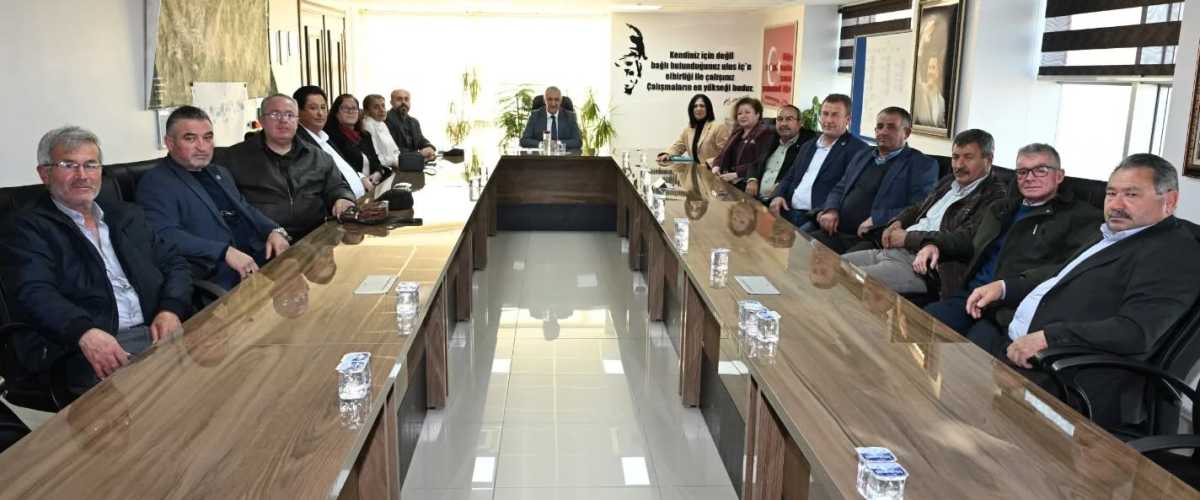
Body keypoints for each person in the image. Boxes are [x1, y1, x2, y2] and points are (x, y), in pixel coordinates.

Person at [966, 154, 1200, 428]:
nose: (1116, 205)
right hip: (1018, 346)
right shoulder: (1110, 233)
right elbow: (1060, 275)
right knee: (944, 368)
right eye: (1111, 193)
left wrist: (1047, 338)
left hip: (1063, 375)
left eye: (1132, 194)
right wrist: (1005, 287)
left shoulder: (1173, 252)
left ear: (1170, 201)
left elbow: (1136, 331)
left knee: (958, 409)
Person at [0, 126, 192, 396]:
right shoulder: (24, 227)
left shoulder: (126, 215)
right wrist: (85, 333)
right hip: (90, 346)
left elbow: (174, 262)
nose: (82, 175)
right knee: (167, 404)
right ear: (44, 173)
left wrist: (171, 308)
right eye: (68, 165)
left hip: (159, 329)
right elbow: (33, 293)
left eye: (90, 165)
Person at [919, 143, 1101, 337]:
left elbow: (1070, 269)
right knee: (924, 323)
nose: (1029, 177)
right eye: (1023, 172)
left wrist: (1006, 287)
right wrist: (934, 244)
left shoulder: (1080, 217)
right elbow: (970, 237)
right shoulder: (1001, 208)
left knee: (978, 345)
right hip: (971, 296)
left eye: (1040, 170)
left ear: (1059, 175)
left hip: (1010, 308)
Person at [137, 106, 292, 292]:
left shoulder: (219, 172)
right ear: (170, 143)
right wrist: (223, 251)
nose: (202, 147)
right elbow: (165, 234)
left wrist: (274, 230)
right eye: (190, 138)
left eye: (208, 137)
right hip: (221, 276)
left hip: (258, 260)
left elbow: (246, 208)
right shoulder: (156, 182)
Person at [841, 129, 1008, 295]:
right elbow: (920, 207)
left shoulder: (995, 196)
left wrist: (908, 238)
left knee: (849, 281)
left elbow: (964, 239)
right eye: (955, 157)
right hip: (890, 250)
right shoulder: (949, 181)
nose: (959, 165)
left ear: (989, 159)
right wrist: (897, 222)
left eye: (968, 157)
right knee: (835, 265)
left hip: (924, 267)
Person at [216, 94, 356, 241]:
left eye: (290, 115)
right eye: (275, 114)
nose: (283, 120)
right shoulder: (234, 158)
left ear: (297, 122)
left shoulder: (318, 157)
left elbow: (337, 187)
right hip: (260, 242)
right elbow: (222, 204)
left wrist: (343, 198)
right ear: (262, 120)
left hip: (314, 239)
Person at [806, 107, 938, 254]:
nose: (883, 132)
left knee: (846, 264)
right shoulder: (862, 155)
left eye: (891, 127)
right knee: (802, 247)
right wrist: (831, 209)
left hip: (872, 237)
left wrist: (877, 219)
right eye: (880, 127)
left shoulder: (922, 165)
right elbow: (840, 188)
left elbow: (920, 207)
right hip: (836, 230)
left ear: (906, 133)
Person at [769, 94, 870, 229]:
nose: (828, 120)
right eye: (825, 114)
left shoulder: (858, 150)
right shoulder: (808, 145)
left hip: (817, 217)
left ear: (848, 120)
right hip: (788, 209)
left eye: (835, 115)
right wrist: (779, 195)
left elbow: (851, 191)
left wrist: (829, 209)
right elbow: (791, 176)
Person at [292, 86, 371, 199]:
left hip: (361, 198)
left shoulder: (324, 136)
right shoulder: (299, 142)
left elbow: (343, 166)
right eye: (313, 108)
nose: (320, 113)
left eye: (323, 107)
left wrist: (360, 177)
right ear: (298, 111)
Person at [325, 93, 391, 189]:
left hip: (372, 185)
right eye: (345, 108)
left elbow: (375, 161)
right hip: (350, 188)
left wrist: (377, 174)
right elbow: (340, 168)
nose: (351, 112)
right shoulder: (330, 137)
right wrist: (361, 179)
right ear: (336, 113)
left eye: (354, 108)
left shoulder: (365, 135)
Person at [743, 104, 805, 200]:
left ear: (800, 123)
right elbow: (755, 164)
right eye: (779, 119)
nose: (783, 124)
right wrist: (752, 180)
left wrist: (781, 186)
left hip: (779, 201)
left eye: (789, 119)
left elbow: (800, 174)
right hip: (755, 198)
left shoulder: (805, 147)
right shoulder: (772, 141)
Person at [656, 94, 731, 169]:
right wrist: (667, 154)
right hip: (694, 173)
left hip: (712, 173)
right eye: (695, 106)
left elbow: (725, 154)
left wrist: (708, 164)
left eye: (702, 106)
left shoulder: (719, 127)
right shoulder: (688, 129)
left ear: (708, 109)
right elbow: (678, 147)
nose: (698, 108)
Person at [712, 97, 772, 186]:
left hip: (744, 183)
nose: (743, 116)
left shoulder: (763, 133)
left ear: (757, 114)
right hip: (726, 179)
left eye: (747, 112)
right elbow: (722, 154)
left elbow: (759, 163)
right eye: (739, 113)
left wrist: (736, 174)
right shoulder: (737, 131)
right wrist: (716, 166)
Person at [385, 88, 437, 161]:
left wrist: (429, 147)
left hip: (414, 162)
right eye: (399, 99)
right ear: (391, 102)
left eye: (406, 99)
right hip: (396, 163)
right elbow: (390, 148)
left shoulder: (414, 122)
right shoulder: (385, 120)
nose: (403, 102)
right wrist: (417, 154)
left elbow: (421, 140)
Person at [361, 94, 401, 171]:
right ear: (366, 112)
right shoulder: (367, 125)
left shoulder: (382, 124)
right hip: (378, 170)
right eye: (376, 107)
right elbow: (373, 156)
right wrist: (392, 161)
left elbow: (396, 151)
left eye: (383, 106)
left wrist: (396, 161)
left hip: (393, 167)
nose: (382, 110)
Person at [913, 56, 947, 129]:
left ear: (937, 73)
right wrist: (919, 55)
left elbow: (941, 126)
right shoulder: (921, 90)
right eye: (929, 67)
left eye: (933, 68)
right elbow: (917, 77)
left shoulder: (941, 101)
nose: (930, 72)